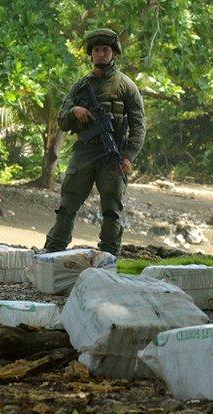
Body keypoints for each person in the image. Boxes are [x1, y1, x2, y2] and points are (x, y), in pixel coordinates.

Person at [43, 28, 145, 256]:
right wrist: (75, 111)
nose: (101, 54)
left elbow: (139, 125)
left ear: (113, 54)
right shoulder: (80, 86)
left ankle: (109, 257)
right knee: (67, 204)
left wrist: (129, 156)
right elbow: (62, 119)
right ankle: (53, 252)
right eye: (97, 50)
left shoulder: (126, 86)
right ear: (91, 54)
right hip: (85, 151)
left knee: (111, 209)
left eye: (105, 50)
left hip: (113, 154)